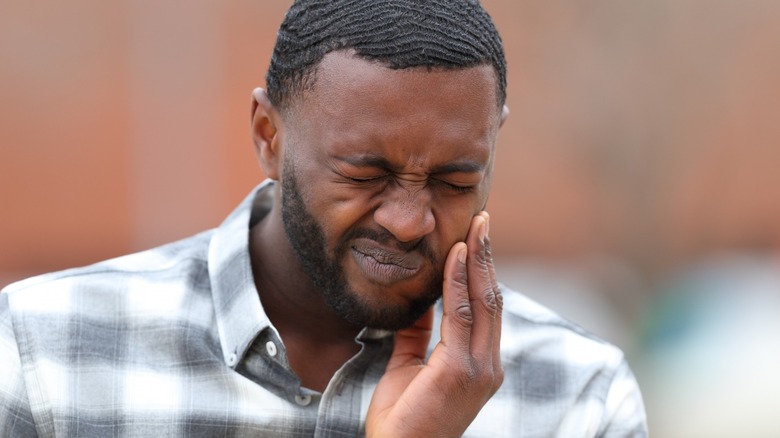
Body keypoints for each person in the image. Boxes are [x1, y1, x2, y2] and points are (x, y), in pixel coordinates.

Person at [0, 0, 647, 436]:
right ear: (267, 135)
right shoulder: (45, 354)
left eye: (456, 181)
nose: (407, 220)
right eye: (365, 174)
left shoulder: (575, 395)